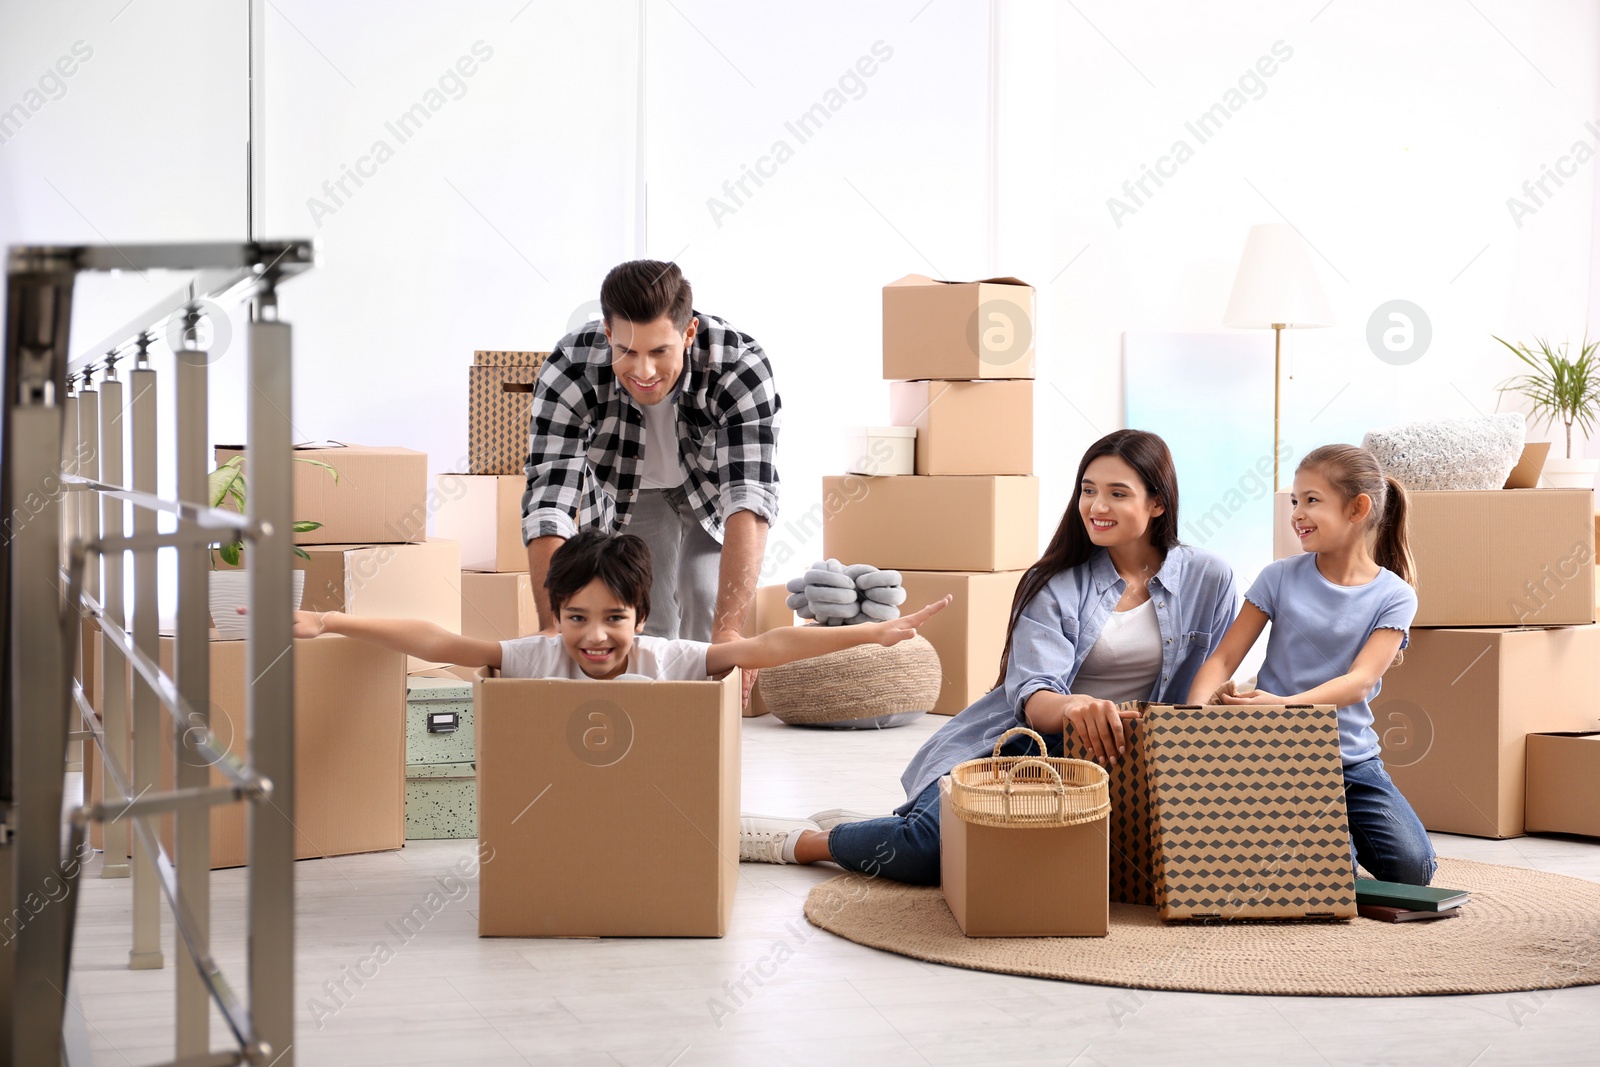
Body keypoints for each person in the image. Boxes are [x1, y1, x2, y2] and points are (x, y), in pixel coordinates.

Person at [738, 430, 1238, 877]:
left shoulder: (1208, 579)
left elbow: (1211, 677)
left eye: (1117, 493)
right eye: (1088, 490)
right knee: (924, 851)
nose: (1096, 506)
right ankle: (798, 841)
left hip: (1139, 761)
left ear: (1157, 504)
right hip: (1036, 746)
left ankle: (888, 823)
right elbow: (1035, 699)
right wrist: (1077, 708)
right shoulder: (1056, 586)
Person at [521, 260, 781, 687]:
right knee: (646, 619)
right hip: (632, 491)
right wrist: (552, 626)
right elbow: (550, 501)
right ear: (608, 334)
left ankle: (703, 732)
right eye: (627, 351)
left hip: (711, 491)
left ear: (689, 333)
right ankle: (649, 731)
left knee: (706, 603)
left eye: (660, 352)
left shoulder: (739, 364)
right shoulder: (570, 367)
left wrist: (730, 632)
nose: (643, 372)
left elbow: (748, 497)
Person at [1188, 443, 1436, 886]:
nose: (1297, 513)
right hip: (1274, 756)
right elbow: (1224, 658)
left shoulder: (1395, 595)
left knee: (1413, 870)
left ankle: (1327, 847)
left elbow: (1360, 682)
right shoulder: (1279, 576)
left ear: (1358, 508)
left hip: (1351, 761)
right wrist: (1192, 724)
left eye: (1312, 501)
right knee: (1305, 866)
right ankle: (1321, 852)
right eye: (1295, 501)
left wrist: (1282, 705)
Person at [292, 531, 949, 681]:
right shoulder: (535, 657)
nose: (595, 637)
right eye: (576, 618)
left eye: (614, 618)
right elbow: (435, 640)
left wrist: (873, 634)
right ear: (556, 616)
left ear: (641, 616)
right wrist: (327, 620)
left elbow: (769, 647)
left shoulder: (672, 660)